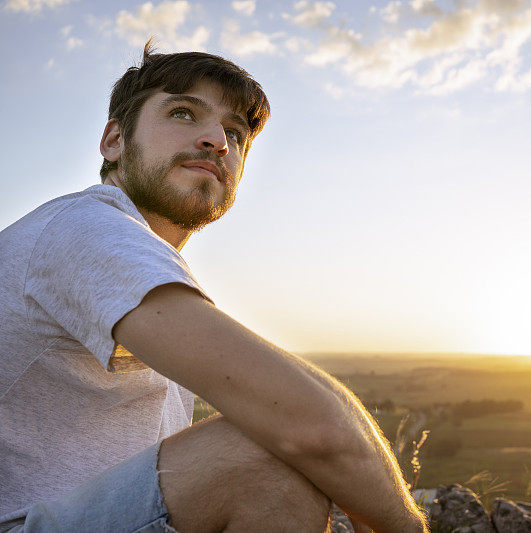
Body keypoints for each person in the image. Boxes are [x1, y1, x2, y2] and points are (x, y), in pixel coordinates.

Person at [0, 42, 428, 533]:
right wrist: (404, 526)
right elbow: (313, 426)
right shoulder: (85, 229)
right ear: (114, 141)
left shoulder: (136, 261)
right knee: (260, 461)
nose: (217, 142)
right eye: (184, 113)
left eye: (235, 133)